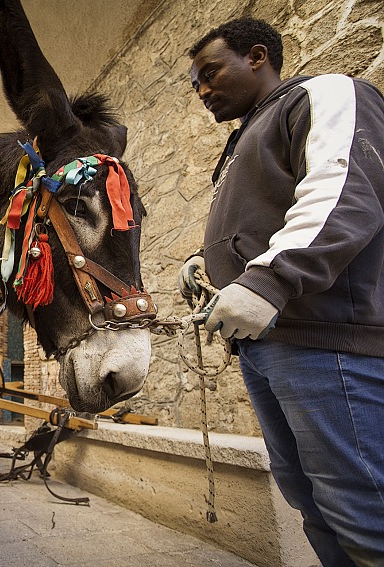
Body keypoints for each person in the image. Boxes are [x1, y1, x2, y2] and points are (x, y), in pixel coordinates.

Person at [180, 17, 384, 566]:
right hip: (266, 347)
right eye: (195, 81)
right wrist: (206, 261)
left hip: (326, 343)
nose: (202, 90)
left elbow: (341, 193)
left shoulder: (326, 93)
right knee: (311, 502)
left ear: (258, 56)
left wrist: (269, 281)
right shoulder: (240, 143)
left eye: (210, 72)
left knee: (362, 510)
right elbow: (264, 225)